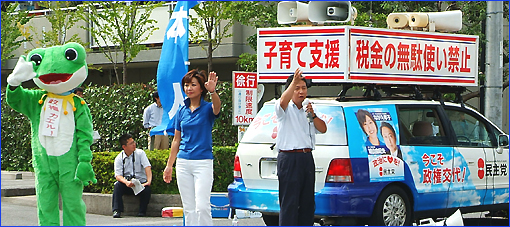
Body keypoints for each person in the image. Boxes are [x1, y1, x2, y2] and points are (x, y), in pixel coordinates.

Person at [163, 69, 221, 226]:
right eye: (186, 85)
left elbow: (217, 108)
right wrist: (169, 166)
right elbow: (176, 140)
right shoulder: (182, 110)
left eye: (193, 85)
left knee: (202, 207)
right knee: (188, 208)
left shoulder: (208, 108)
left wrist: (213, 91)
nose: (188, 88)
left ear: (201, 88)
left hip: (203, 163)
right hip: (183, 163)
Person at [274, 68, 327, 226]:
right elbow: (283, 102)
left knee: (307, 203)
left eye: (303, 88)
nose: (301, 91)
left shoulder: (309, 106)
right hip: (289, 158)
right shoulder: (283, 107)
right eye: (297, 88)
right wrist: (293, 83)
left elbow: (323, 128)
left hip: (306, 157)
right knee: (289, 203)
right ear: (290, 90)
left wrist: (314, 115)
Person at [112, 133, 152, 218]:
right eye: (131, 144)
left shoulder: (140, 153)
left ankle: (142, 212)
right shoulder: (119, 158)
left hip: (140, 184)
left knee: (147, 190)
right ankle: (117, 210)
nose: (134, 145)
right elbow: (118, 176)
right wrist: (126, 182)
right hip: (128, 184)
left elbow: (147, 167)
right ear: (124, 147)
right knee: (117, 186)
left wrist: (148, 181)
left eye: (134, 142)